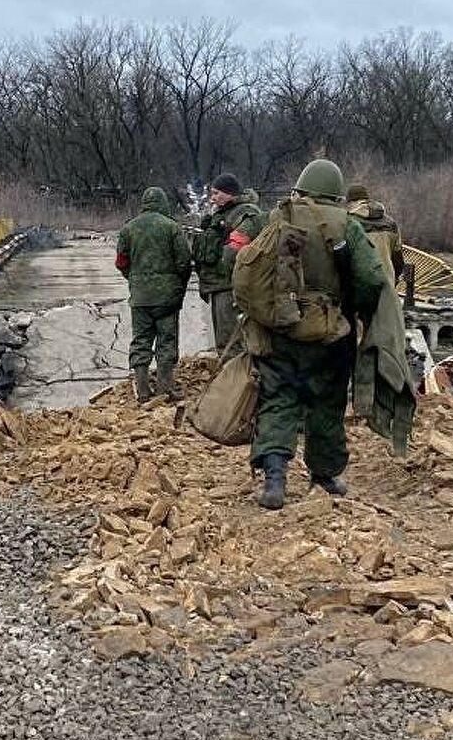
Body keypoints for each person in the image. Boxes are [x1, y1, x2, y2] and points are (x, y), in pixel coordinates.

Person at [240, 159, 386, 509]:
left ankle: (275, 478)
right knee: (326, 402)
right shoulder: (346, 225)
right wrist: (354, 310)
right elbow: (372, 279)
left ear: (303, 185)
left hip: (280, 329)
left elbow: (248, 268)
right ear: (335, 192)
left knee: (277, 398)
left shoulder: (277, 217)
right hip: (330, 334)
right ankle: (324, 476)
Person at [115, 186, 190, 400]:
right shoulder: (172, 227)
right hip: (167, 297)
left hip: (140, 296)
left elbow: (121, 262)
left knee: (141, 339)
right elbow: (184, 261)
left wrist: (134, 278)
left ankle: (143, 389)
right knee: (166, 340)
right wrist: (176, 282)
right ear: (164, 202)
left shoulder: (128, 228)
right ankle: (166, 387)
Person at [191, 173, 264, 350]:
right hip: (217, 286)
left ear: (230, 193)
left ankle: (236, 376)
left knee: (231, 343)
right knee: (223, 342)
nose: (212, 198)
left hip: (230, 286)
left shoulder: (246, 214)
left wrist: (220, 266)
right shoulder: (221, 215)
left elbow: (235, 250)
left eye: (216, 193)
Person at [346, 184, 410, 312]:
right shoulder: (391, 223)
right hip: (386, 287)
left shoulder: (349, 222)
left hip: (359, 289)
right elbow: (398, 261)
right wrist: (392, 283)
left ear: (350, 201)